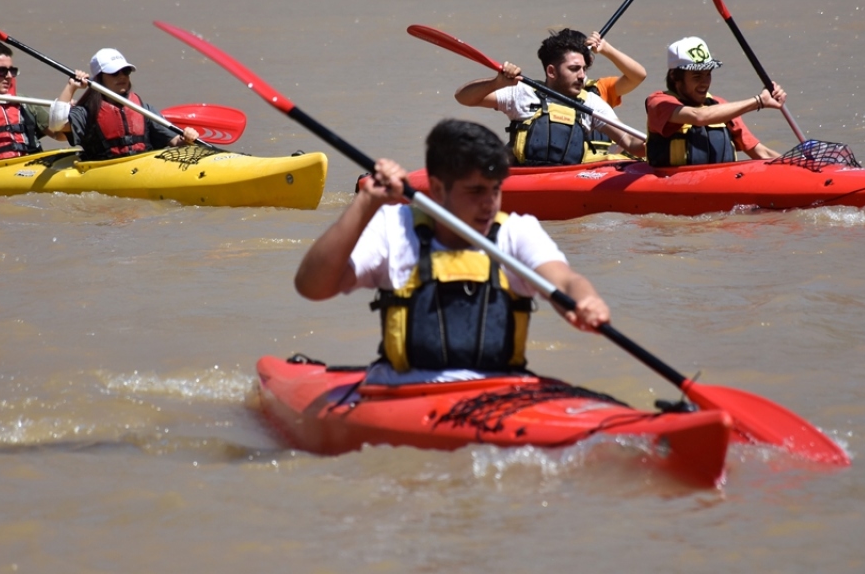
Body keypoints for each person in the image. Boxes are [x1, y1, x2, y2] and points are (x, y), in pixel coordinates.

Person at [294, 119, 614, 385]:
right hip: (404, 393)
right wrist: (365, 203)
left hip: (498, 392)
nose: (490, 204)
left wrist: (587, 300)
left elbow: (566, 280)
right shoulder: (393, 227)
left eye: (496, 190)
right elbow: (312, 287)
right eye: (475, 191)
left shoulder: (517, 231)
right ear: (437, 189)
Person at [453, 28, 647, 164]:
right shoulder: (521, 92)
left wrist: (662, 142)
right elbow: (463, 97)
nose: (582, 75)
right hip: (525, 177)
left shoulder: (591, 102)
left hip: (571, 179)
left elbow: (630, 143)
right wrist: (496, 83)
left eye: (584, 69)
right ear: (552, 72)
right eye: (574, 69)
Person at [644, 36, 788, 167]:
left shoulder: (720, 106)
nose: (704, 83)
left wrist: (797, 165)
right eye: (697, 76)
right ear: (675, 76)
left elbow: (761, 153)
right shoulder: (659, 102)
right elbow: (698, 116)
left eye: (708, 74)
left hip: (718, 182)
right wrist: (759, 101)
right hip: (673, 182)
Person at [50, 48, 198, 161]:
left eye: (125, 71)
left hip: (143, 165)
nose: (122, 76)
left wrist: (186, 139)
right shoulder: (87, 112)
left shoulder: (142, 109)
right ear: (99, 78)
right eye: (114, 73)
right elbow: (57, 125)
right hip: (106, 169)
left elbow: (175, 142)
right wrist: (71, 87)